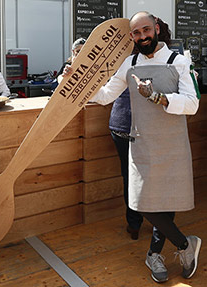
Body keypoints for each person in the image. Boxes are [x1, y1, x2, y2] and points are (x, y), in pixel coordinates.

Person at [63, 11, 201, 283]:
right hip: (142, 144)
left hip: (172, 146)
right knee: (143, 205)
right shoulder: (129, 63)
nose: (142, 37)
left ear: (157, 29)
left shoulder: (180, 62)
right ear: (131, 37)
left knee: (166, 205)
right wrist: (75, 80)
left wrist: (159, 97)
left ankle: (153, 255)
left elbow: (192, 104)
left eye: (146, 30)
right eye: (136, 33)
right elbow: (104, 97)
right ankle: (186, 245)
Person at [109, 17, 172, 241]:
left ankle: (134, 224)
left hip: (120, 124)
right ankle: (161, 226)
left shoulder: (130, 59)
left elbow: (109, 92)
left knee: (131, 177)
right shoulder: (168, 61)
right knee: (155, 178)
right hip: (141, 128)